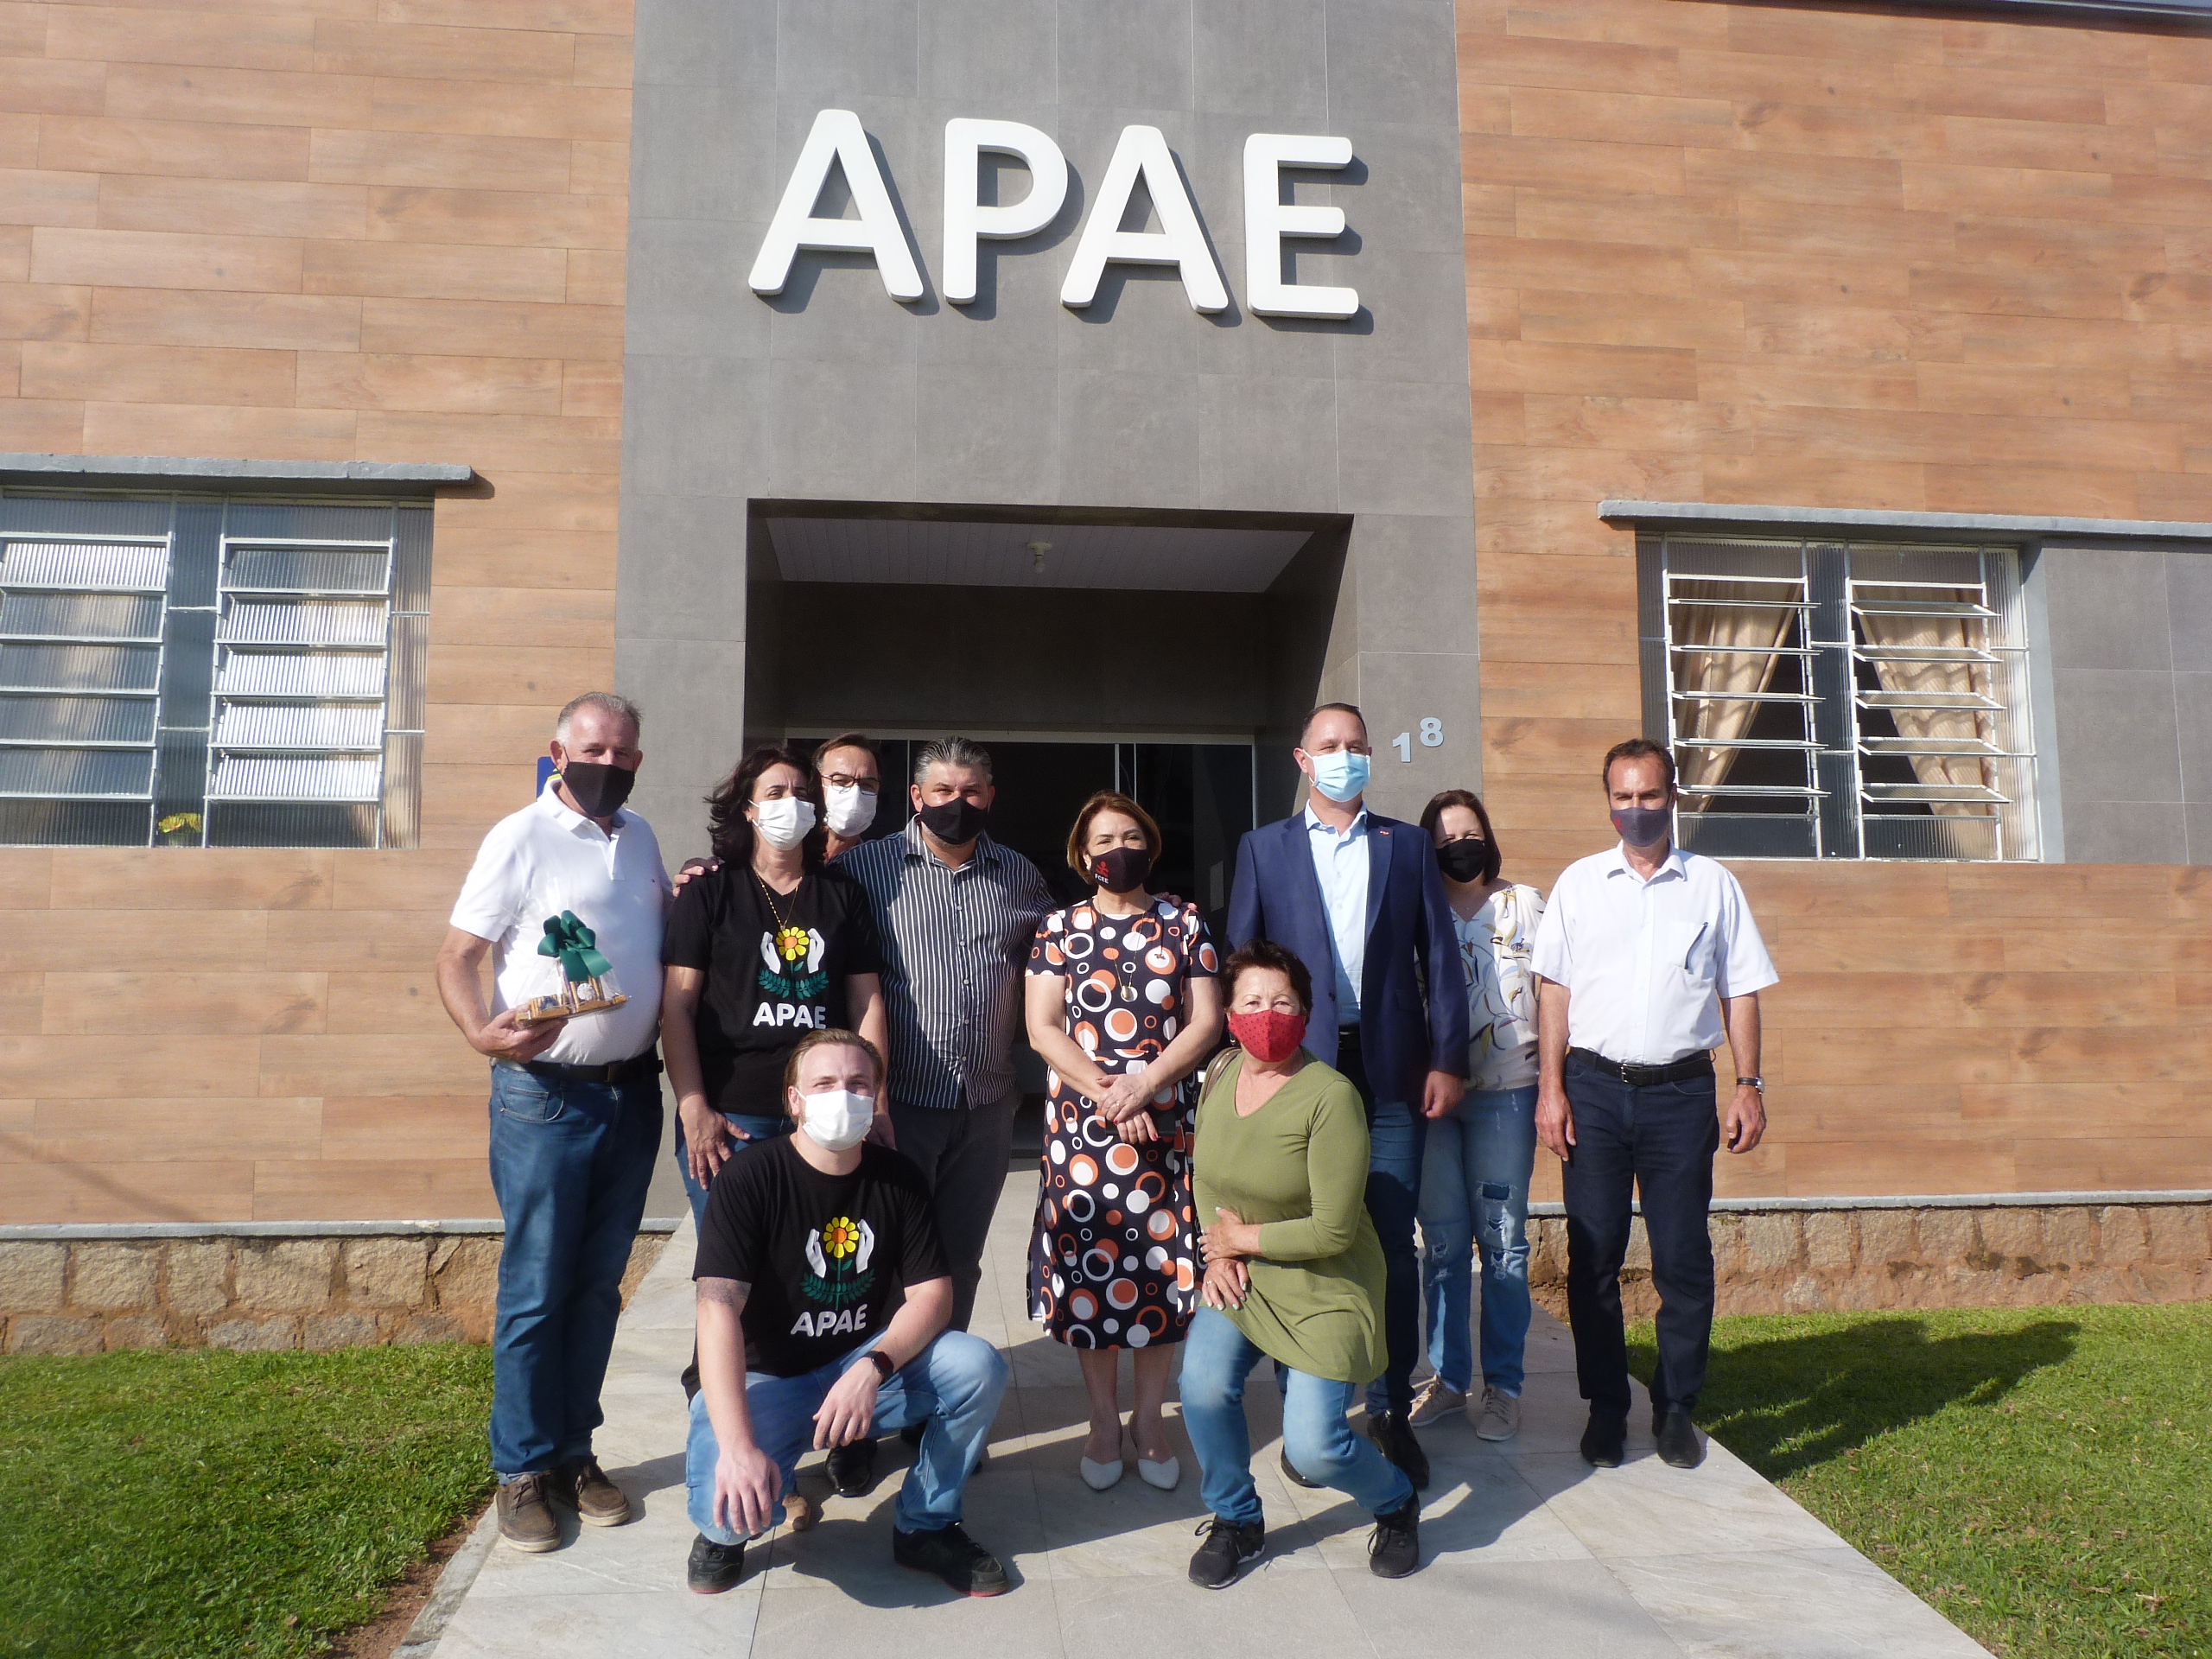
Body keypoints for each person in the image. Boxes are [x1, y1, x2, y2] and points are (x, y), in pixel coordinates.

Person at [435, 691, 671, 1554]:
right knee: (536, 1291)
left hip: (630, 1094)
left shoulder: (640, 838)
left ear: (637, 762)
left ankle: (574, 1452)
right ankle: (522, 1470)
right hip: (544, 1097)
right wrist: (476, 1030)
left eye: (623, 753)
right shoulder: (518, 837)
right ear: (557, 750)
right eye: (593, 748)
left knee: (597, 1287)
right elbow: (459, 953)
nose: (607, 763)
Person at [1225, 702, 1468, 1490]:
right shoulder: (1265, 848)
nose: (1345, 757)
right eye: (1330, 747)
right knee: (1304, 1240)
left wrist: (1446, 1058)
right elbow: (1246, 968)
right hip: (1300, 1074)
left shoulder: (1406, 847)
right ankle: (1305, 1406)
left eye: (1357, 746)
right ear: (1302, 758)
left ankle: (1390, 1407)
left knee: (1392, 1246)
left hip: (1393, 1072)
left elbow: (1440, 955)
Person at [683, 1029, 1013, 1598]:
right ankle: (744, 1504)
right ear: (794, 1099)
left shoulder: (896, 1177)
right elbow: (716, 1314)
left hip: (855, 1368)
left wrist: (873, 1368)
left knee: (976, 1364)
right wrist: (738, 1450)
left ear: (878, 1094)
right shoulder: (751, 1178)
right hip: (765, 1379)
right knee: (734, 1513)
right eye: (825, 1083)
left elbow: (933, 1296)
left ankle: (926, 1525)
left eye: (859, 1083)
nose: (844, 1095)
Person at [1529, 737, 1777, 1471]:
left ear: (1675, 796)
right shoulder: (1579, 884)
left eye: (1649, 795)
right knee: (1593, 1254)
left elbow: (1742, 991)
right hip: (1595, 1091)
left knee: (1681, 1258)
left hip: (1681, 1094)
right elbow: (1554, 993)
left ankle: (1675, 1407)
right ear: (1607, 800)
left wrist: (1749, 1085)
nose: (1635, 810)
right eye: (1622, 797)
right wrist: (1551, 1089)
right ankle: (1607, 1408)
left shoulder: (1714, 886)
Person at [836, 736, 1052, 1490]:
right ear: (915, 797)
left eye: (971, 791)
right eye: (941, 790)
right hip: (898, 1107)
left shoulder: (1020, 876)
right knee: (876, 1263)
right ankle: (857, 1415)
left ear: (989, 797)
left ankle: (934, 1400)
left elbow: (1064, 966)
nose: (956, 803)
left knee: (955, 1261)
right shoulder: (863, 870)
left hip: (987, 1104)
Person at [1181, 941, 1421, 1588]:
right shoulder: (1222, 1071)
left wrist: (1242, 1240)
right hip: (1245, 1273)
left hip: (1326, 1283)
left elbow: (1333, 1228)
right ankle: (1237, 1520)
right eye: (1253, 1002)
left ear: (1308, 1013)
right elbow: (1206, 1176)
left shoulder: (1330, 1096)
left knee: (1317, 1448)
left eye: (1284, 1002)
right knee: (1201, 1390)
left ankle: (1396, 1502)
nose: (1268, 1014)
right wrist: (1214, 1249)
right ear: (1228, 1015)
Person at [1024, 791, 1224, 1491]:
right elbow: (1043, 1027)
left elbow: (1205, 1023)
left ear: (1152, 846)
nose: (1119, 848)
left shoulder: (1185, 923)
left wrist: (1147, 1084)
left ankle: (1149, 1418)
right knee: (1094, 1271)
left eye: (1132, 835)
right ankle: (1103, 1418)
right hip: (1083, 1130)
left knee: (1162, 1271)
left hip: (1165, 1125)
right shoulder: (1058, 928)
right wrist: (1112, 1093)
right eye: (1105, 838)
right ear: (1083, 856)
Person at [661, 745, 891, 1231]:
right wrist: (693, 1107)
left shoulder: (842, 894)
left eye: (802, 793)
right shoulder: (708, 892)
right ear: (749, 807)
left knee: (807, 1270)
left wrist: (875, 1101)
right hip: (733, 1117)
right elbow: (677, 1009)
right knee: (735, 1269)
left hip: (826, 1111)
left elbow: (865, 1002)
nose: (791, 802)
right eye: (776, 792)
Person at [1408, 789, 1543, 1442]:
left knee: (1504, 1245)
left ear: (1487, 836)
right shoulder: (1416, 912)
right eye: (1445, 839)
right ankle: (1449, 1377)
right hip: (1435, 1102)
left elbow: (1556, 998)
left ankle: (1506, 1388)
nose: (1460, 845)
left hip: (1507, 1096)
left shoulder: (1528, 905)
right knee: (1440, 1245)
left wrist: (1557, 1088)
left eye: (1469, 832)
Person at [813, 730, 882, 861]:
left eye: (867, 784)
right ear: (816, 784)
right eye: (841, 781)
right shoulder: (791, 865)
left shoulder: (880, 868)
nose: (855, 792)